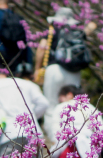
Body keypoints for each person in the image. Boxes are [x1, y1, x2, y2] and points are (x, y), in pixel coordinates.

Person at [34, 8, 93, 139]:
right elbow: (91, 27)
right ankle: (73, 135)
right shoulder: (77, 32)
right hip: (74, 71)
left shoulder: (52, 30)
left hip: (54, 69)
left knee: (51, 105)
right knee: (72, 104)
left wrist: (37, 68)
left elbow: (41, 48)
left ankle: (55, 140)